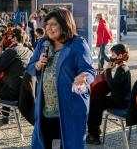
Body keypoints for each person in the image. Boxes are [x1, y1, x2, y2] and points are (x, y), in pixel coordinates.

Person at [27, 8, 95, 149]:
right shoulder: (43, 43)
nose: (48, 28)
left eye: (53, 24)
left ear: (65, 24)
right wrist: (38, 64)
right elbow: (30, 66)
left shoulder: (78, 44)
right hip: (46, 107)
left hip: (69, 107)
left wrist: (83, 77)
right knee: (45, 142)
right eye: (47, 24)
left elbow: (89, 70)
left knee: (67, 144)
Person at [87, 43, 131, 144]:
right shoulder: (124, 67)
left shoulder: (122, 69)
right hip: (122, 99)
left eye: (113, 55)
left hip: (119, 101)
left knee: (95, 104)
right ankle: (95, 129)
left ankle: (94, 135)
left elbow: (112, 86)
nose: (111, 57)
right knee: (98, 100)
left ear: (120, 56)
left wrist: (107, 70)